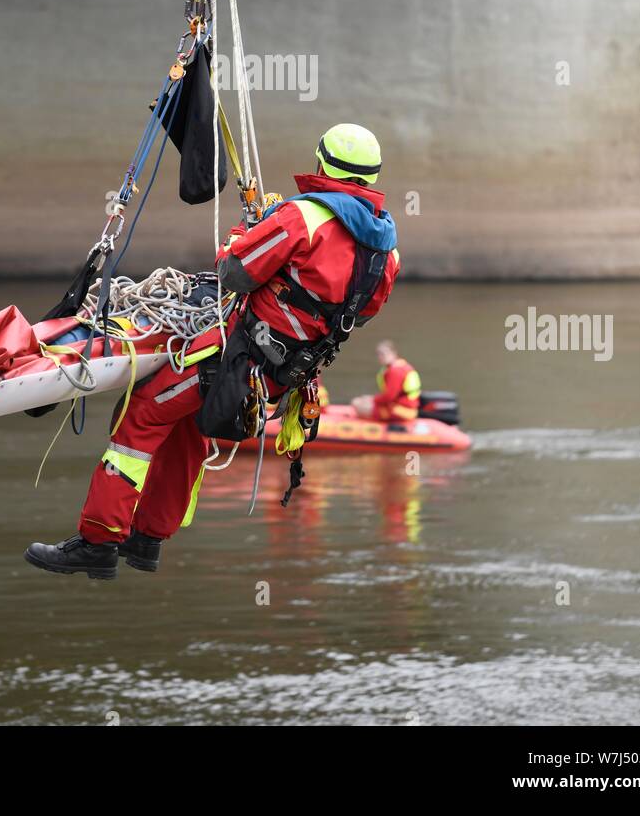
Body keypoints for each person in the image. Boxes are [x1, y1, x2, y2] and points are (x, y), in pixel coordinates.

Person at [25, 123, 400, 578]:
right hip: (280, 378)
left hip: (234, 359)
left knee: (142, 413)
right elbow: (357, 315)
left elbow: (233, 273)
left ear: (322, 162)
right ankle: (147, 540)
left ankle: (98, 541)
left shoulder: (301, 218)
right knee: (186, 426)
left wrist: (246, 232)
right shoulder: (386, 253)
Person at [352, 339, 421, 423]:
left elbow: (389, 396)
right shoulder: (400, 366)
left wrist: (372, 399)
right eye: (379, 354)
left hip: (402, 410)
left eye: (385, 353)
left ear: (394, 353)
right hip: (400, 407)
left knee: (357, 404)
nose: (382, 357)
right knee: (361, 400)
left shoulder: (395, 371)